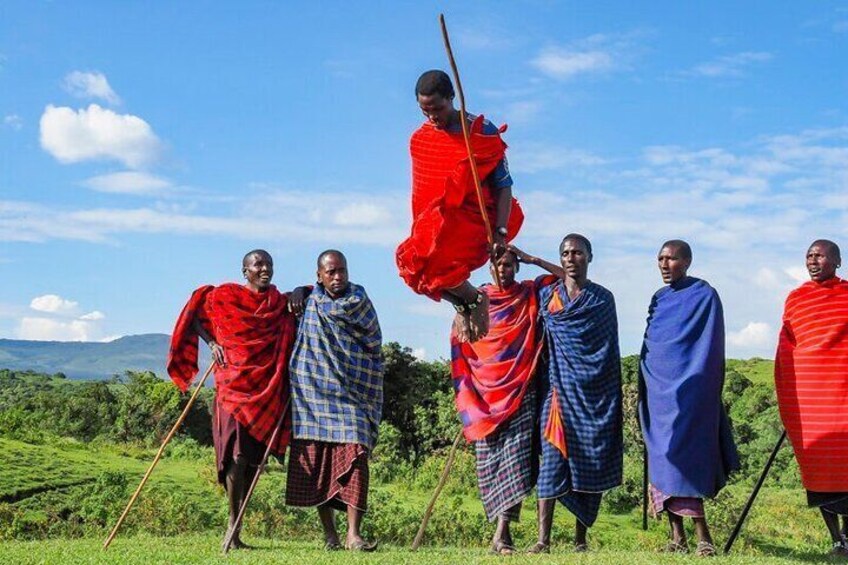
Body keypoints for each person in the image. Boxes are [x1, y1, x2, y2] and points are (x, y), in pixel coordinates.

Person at [167, 249, 303, 550]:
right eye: (258, 265)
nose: (265, 269)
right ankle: (232, 523)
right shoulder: (225, 296)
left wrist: (299, 291)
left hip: (266, 387)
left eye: (269, 264)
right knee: (235, 457)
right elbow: (193, 313)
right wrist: (212, 341)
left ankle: (237, 531)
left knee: (252, 462)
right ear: (245, 271)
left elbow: (306, 297)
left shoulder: (279, 303)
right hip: (231, 385)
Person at [510, 236, 622, 553]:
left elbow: (606, 351)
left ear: (589, 256)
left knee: (586, 460)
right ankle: (542, 540)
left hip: (592, 394)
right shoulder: (549, 295)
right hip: (556, 392)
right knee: (552, 463)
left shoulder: (602, 299)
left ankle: (580, 539)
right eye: (565, 253)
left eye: (577, 253)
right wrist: (531, 261)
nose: (571, 258)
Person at [396, 69, 525, 343]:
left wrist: (500, 233)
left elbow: (503, 183)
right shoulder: (421, 139)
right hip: (438, 223)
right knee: (413, 266)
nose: (432, 117)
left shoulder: (480, 132)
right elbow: (423, 195)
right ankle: (466, 301)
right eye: (424, 110)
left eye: (438, 108)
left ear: (452, 97)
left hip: (475, 220)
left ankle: (475, 300)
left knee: (439, 267)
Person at [639, 240, 739, 557]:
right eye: (660, 259)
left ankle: (703, 538)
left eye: (672, 258)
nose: (665, 264)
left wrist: (702, 388)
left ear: (688, 261)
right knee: (662, 458)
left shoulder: (704, 295)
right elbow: (653, 345)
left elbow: (710, 347)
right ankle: (676, 536)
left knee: (687, 461)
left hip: (692, 394)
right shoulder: (659, 299)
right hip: (658, 393)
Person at [449, 251, 547, 554]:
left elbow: (569, 278)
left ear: (516, 267)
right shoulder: (475, 300)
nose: (502, 270)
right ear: (488, 267)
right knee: (489, 463)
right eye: (496, 265)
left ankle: (502, 534)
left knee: (515, 461)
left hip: (519, 390)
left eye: (508, 264)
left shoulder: (530, 292)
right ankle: (500, 534)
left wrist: (533, 259)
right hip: (483, 397)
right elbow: (461, 342)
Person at [285, 250, 383, 552]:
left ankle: (354, 534)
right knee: (318, 463)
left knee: (356, 455)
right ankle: (330, 535)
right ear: (319, 276)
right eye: (331, 272)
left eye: (342, 270)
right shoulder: (308, 303)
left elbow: (373, 344)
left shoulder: (359, 301)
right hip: (312, 395)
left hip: (352, 394)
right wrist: (299, 291)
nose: (338, 277)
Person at [775, 239, 848, 557]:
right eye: (808, 255)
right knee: (817, 467)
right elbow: (787, 348)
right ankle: (836, 539)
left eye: (819, 255)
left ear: (837, 260)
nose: (812, 260)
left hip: (842, 397)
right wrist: (792, 392)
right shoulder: (796, 298)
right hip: (811, 401)